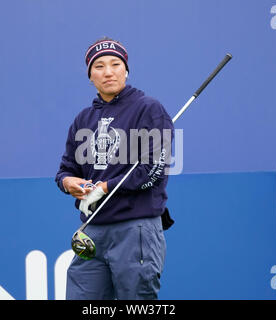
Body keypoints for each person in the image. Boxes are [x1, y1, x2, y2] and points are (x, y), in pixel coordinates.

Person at [55, 37, 174, 300]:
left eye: (115, 64)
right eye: (99, 66)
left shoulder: (149, 109)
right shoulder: (83, 118)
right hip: (93, 231)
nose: (108, 72)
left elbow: (154, 170)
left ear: (126, 70)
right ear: (90, 76)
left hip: (136, 228)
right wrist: (68, 183)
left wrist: (105, 187)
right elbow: (65, 169)